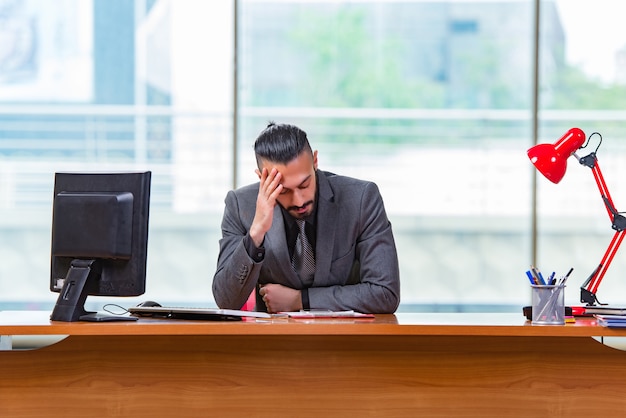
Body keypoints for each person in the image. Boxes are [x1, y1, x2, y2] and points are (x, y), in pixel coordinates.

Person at [212, 122, 400, 313]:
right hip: (273, 339)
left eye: (304, 184)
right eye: (283, 190)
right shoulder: (240, 205)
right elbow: (227, 301)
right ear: (262, 178)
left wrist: (301, 300)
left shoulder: (360, 199)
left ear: (315, 161)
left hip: (345, 337)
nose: (299, 200)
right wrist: (256, 233)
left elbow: (385, 294)